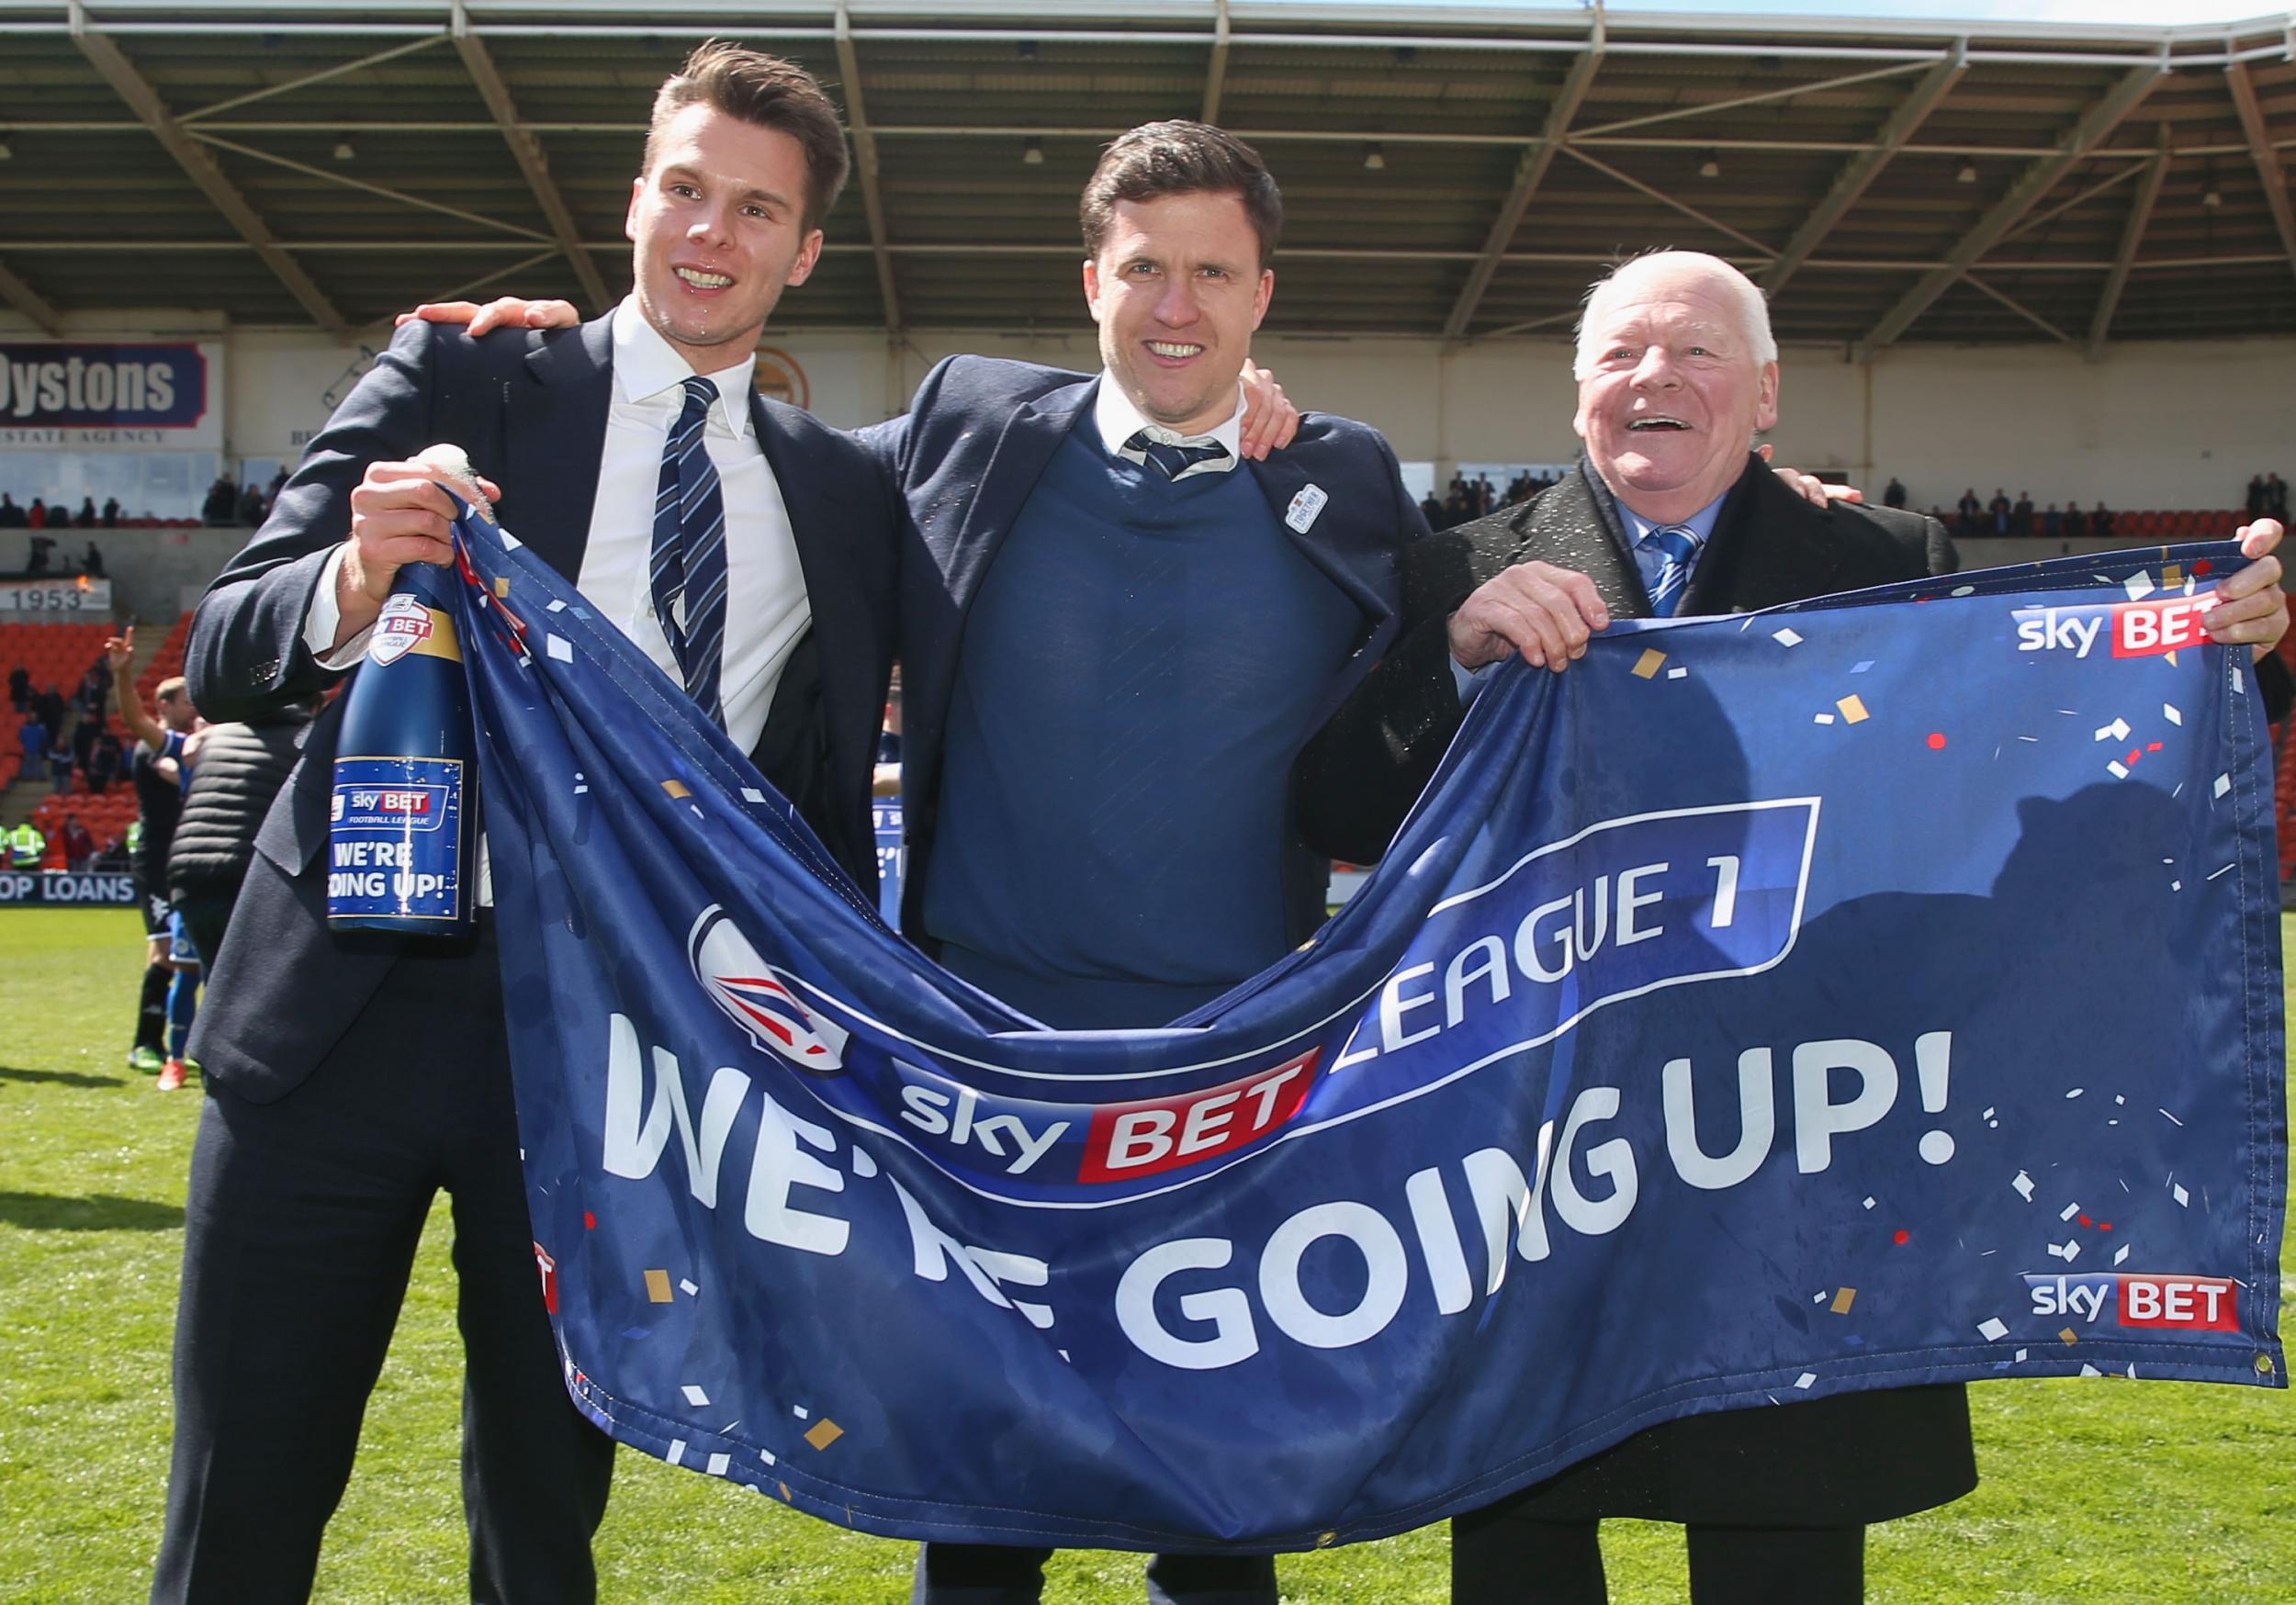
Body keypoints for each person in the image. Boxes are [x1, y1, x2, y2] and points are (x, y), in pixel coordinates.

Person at [1289, 249, 2291, 1605]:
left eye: (1697, 353)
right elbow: (1334, 802)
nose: (1656, 377)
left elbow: (2052, 737)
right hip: (1547, 1154)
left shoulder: (1883, 560)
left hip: (1801, 1145)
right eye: (1622, 354)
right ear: (1578, 391)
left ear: (1765, 397)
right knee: (1521, 1538)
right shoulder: (1460, 569)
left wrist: (2222, 643)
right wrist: (1454, 658)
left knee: (1784, 1543)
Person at [151, 43, 901, 1605]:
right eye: (686, 187)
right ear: (635, 196)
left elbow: (815, 803)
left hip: (607, 1057)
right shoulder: (464, 375)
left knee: (544, 1533)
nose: (711, 231)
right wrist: (352, 586)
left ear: (805, 250)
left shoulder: (841, 495)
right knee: (239, 1508)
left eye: (756, 209)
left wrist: (1243, 405)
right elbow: (226, 638)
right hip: (335, 1020)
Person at [109, 631, 200, 1079]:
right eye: (187, 702)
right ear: (164, 706)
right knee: (165, 956)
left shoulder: (195, 743)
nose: (194, 709)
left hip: (187, 860)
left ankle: (176, 1044)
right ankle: (146, 1043)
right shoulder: (154, 749)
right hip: (157, 862)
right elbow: (173, 769)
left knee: (182, 956)